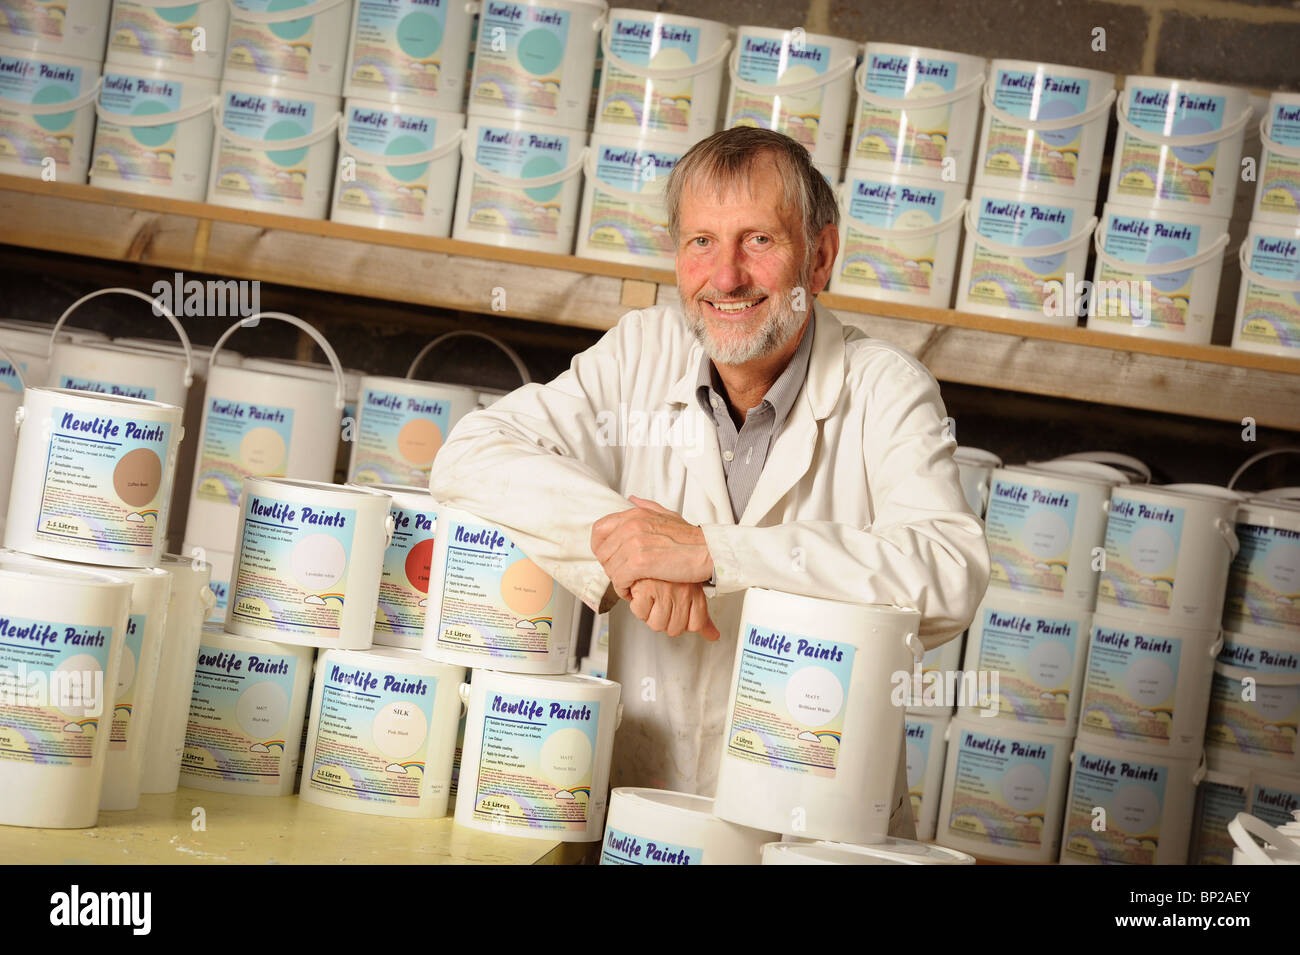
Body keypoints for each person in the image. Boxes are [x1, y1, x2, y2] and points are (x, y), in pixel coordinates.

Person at [429, 126, 990, 836]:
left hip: (815, 833)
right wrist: (628, 546)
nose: (725, 277)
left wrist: (710, 552)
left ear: (820, 258)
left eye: (758, 240)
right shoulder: (642, 351)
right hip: (646, 812)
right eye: (700, 242)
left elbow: (948, 572)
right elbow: (472, 454)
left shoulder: (885, 389)